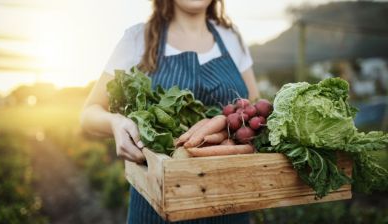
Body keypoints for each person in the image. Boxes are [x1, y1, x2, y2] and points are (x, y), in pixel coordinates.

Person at [80, 0, 260, 223]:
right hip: (157, 205)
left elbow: (255, 108)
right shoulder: (138, 38)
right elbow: (88, 113)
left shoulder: (231, 37)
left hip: (231, 201)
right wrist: (116, 123)